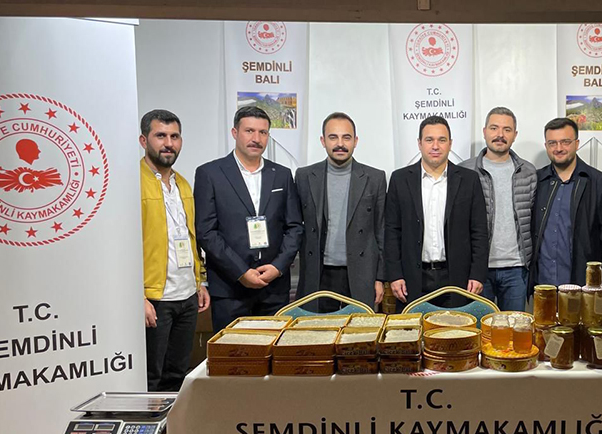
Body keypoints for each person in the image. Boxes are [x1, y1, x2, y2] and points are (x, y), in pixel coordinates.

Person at [194, 106, 303, 332]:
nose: (256, 138)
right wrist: (240, 272)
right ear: (235, 133)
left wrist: (278, 267)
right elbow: (206, 232)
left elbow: (294, 227)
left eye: (263, 132)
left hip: (273, 288)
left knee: (273, 349)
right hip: (230, 288)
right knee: (234, 351)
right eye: (249, 131)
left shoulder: (282, 175)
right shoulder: (210, 174)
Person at [139, 109, 209, 392]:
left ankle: (173, 422)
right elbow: (122, 248)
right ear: (144, 140)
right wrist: (138, 297)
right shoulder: (131, 182)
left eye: (174, 136)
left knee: (178, 373)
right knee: (150, 376)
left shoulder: (182, 183)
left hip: (187, 296)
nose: (168, 143)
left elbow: (190, 237)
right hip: (155, 298)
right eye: (160, 136)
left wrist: (199, 281)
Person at [385, 115, 489, 305]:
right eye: (429, 140)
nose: (435, 146)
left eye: (441, 140)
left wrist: (477, 274)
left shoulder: (469, 180)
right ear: (419, 143)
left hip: (458, 279)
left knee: (457, 325)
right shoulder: (400, 180)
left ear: (450, 144)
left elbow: (479, 231)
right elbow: (392, 231)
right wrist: (395, 274)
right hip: (412, 279)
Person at [295, 112, 387, 310]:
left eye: (346, 137)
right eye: (333, 137)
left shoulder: (375, 178)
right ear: (323, 141)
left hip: (361, 274)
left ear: (355, 141)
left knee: (360, 328)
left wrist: (380, 278)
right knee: (317, 328)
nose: (340, 144)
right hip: (317, 273)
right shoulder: (304, 176)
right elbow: (295, 227)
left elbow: (381, 231)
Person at [460, 107, 537, 311]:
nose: (500, 135)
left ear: (515, 135)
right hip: (477, 270)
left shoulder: (528, 172)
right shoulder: (464, 170)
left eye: (507, 129)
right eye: (494, 128)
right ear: (484, 131)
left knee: (513, 327)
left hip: (516, 269)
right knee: (477, 326)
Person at [530, 117, 602, 287]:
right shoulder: (537, 180)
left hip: (582, 284)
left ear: (577, 143)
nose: (559, 148)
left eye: (565, 142)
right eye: (552, 143)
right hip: (543, 284)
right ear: (546, 146)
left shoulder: (597, 181)